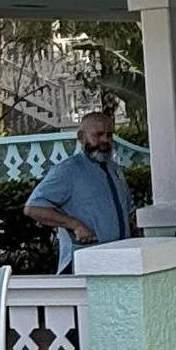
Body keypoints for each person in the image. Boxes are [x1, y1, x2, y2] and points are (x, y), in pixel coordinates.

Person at [24, 103, 138, 271]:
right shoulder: (68, 170)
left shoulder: (115, 169)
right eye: (98, 135)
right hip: (86, 263)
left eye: (109, 135)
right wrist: (75, 225)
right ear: (82, 137)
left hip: (120, 260)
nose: (105, 140)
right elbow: (33, 208)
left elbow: (128, 213)